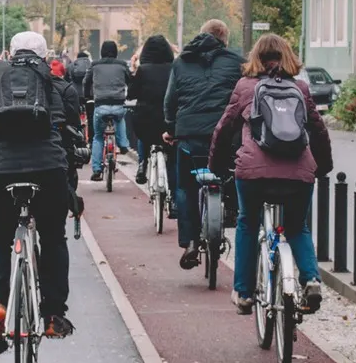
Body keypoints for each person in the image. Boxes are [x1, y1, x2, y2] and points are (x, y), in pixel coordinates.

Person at [0, 31, 84, 351]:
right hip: (48, 170)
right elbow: (72, 138)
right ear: (45, 55)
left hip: (1, 170)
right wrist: (68, 184)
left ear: (10, 53)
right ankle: (52, 316)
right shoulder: (60, 86)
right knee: (52, 238)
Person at [210, 34, 331, 315]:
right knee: (297, 227)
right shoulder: (300, 88)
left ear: (255, 58)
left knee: (248, 223)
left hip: (252, 175)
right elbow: (319, 131)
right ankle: (311, 279)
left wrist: (216, 167)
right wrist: (321, 167)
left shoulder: (244, 87)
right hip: (299, 174)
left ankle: (243, 293)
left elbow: (223, 129)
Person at [162, 19, 243, 270]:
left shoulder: (181, 62)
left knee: (185, 186)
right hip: (226, 134)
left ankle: (190, 242)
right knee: (233, 174)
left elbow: (171, 100)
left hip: (190, 136)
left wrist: (171, 128)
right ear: (225, 39)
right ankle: (230, 212)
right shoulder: (237, 62)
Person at [128, 35, 175, 197]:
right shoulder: (174, 69)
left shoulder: (143, 70)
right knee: (172, 148)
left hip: (146, 117)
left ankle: (142, 163)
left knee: (143, 136)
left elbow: (131, 94)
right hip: (168, 118)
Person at [85, 40, 131, 179]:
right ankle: (123, 144)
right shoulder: (122, 65)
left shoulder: (95, 65)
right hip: (118, 104)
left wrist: (88, 95)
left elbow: (86, 82)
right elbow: (131, 81)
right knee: (120, 119)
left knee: (98, 137)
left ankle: (97, 170)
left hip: (100, 105)